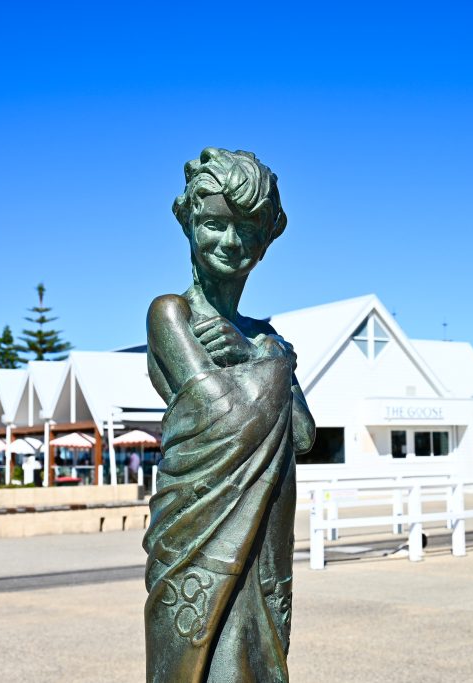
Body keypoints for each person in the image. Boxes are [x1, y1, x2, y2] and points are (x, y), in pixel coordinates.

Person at [143, 148, 316, 682]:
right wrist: (272, 366)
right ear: (189, 223)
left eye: (247, 230)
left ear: (265, 242)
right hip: (198, 532)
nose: (230, 243)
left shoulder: (264, 338)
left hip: (264, 535)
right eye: (214, 224)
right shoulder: (173, 314)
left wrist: (254, 354)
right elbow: (216, 412)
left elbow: (304, 435)